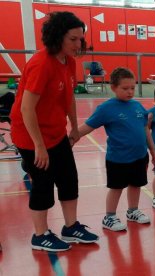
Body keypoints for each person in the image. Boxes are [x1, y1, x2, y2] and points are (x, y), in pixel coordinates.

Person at [10, 11, 99, 252]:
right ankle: (40, 236)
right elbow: (27, 108)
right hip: (30, 135)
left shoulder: (69, 61)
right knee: (43, 183)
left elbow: (68, 95)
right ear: (58, 37)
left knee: (69, 178)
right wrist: (39, 146)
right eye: (73, 39)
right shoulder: (41, 64)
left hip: (56, 132)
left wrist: (74, 127)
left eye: (80, 39)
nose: (78, 44)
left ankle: (70, 227)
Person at [77, 67, 155, 231]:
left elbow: (145, 130)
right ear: (113, 87)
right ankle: (110, 216)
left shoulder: (137, 107)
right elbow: (87, 127)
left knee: (136, 185)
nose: (130, 92)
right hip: (118, 159)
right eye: (125, 88)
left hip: (139, 156)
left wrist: (153, 149)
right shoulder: (106, 109)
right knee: (116, 188)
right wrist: (69, 139)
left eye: (132, 88)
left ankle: (132, 211)